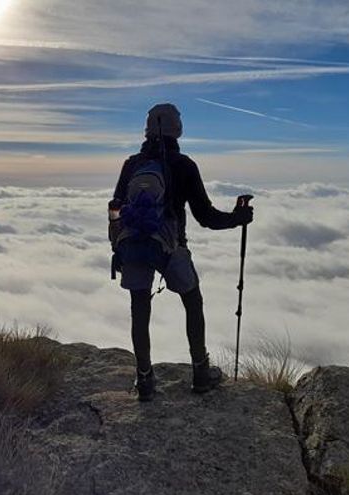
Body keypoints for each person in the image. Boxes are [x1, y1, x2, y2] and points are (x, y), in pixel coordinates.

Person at [109, 103, 253, 401]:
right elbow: (206, 217)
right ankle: (200, 372)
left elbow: (115, 208)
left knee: (139, 307)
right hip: (171, 245)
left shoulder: (132, 164)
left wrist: (117, 246)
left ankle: (145, 380)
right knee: (192, 300)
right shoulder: (184, 165)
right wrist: (238, 218)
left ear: (147, 129)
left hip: (133, 244)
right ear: (178, 129)